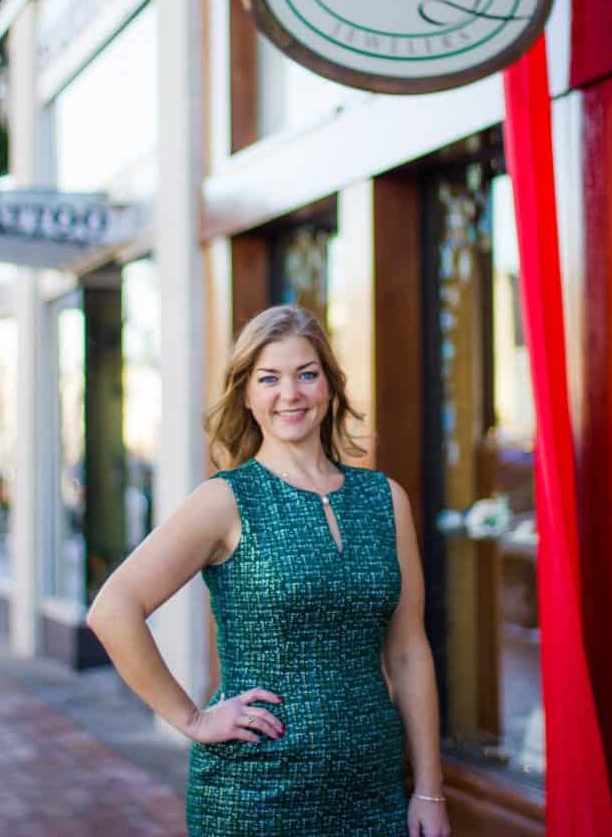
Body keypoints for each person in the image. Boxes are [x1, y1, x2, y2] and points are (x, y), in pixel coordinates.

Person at [87, 304, 451, 837]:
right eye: (269, 379)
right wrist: (192, 719)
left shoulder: (384, 498)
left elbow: (408, 651)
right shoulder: (225, 500)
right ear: (246, 394)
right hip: (256, 793)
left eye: (306, 374)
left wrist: (429, 788)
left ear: (330, 385)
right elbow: (113, 610)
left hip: (374, 788)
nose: (290, 394)